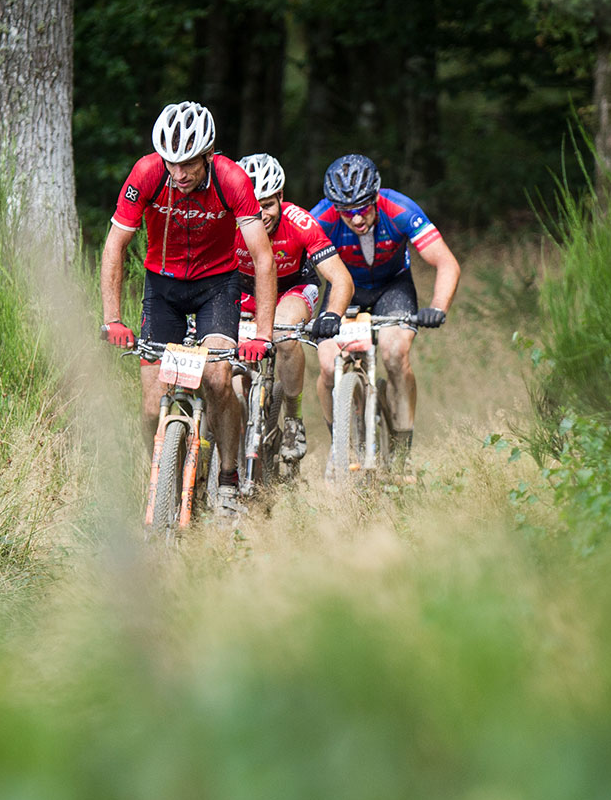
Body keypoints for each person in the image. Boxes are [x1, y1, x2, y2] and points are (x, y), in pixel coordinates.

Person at [98, 101, 276, 514]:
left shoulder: (231, 179)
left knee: (217, 380)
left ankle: (228, 480)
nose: (179, 174)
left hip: (217, 285)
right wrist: (112, 320)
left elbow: (262, 258)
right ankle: (163, 480)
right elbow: (115, 245)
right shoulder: (146, 172)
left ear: (208, 156)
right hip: (163, 289)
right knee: (149, 404)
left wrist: (263, 334)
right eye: (171, 163)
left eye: (189, 164)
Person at [310, 153, 460, 473]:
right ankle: (339, 442)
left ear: (376, 195)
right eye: (346, 212)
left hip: (393, 287)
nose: (357, 218)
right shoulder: (321, 218)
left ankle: (403, 450)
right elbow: (295, 266)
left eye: (363, 207)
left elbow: (446, 262)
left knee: (394, 353)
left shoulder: (399, 209)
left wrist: (437, 308)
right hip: (344, 290)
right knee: (326, 365)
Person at [233, 153, 351, 467]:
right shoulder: (227, 222)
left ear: (281, 198)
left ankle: (293, 420)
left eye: (269, 204)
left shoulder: (299, 221)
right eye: (252, 206)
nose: (261, 215)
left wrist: (332, 315)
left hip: (293, 288)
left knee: (284, 333)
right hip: (246, 290)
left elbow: (340, 278)